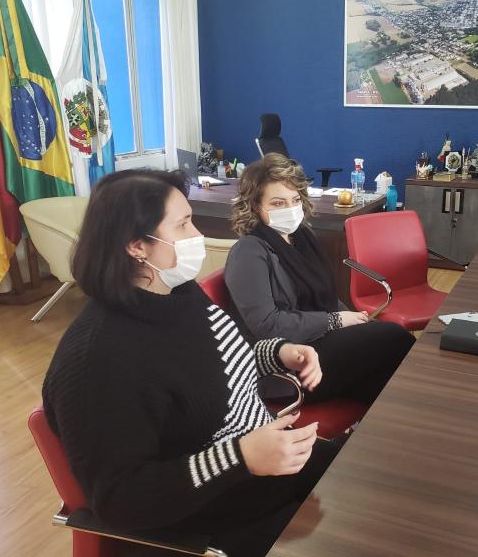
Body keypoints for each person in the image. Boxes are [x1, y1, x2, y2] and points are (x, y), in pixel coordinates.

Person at [42, 169, 339, 557]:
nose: (197, 234)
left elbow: (206, 364)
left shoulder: (175, 292)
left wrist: (276, 353)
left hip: (262, 465)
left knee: (372, 473)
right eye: (183, 225)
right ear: (137, 246)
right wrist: (241, 457)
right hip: (215, 515)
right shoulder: (98, 361)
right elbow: (120, 499)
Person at [224, 153, 414, 407]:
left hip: (319, 341)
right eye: (278, 203)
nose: (290, 209)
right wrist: (335, 320)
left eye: (294, 200)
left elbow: (324, 294)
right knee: (396, 338)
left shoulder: (301, 237)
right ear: (256, 206)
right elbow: (268, 325)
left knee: (387, 379)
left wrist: (351, 321)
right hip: (288, 364)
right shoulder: (248, 251)